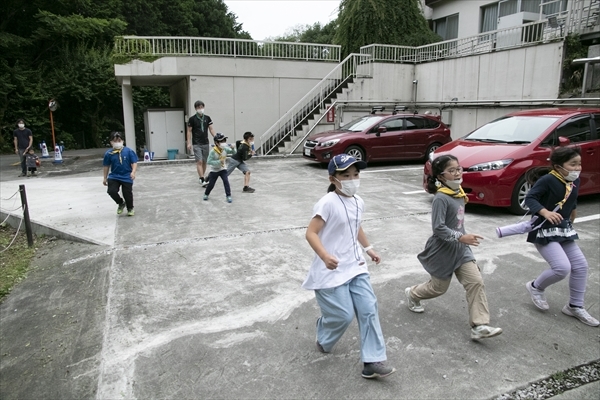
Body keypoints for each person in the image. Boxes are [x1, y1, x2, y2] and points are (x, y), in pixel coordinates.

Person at [303, 154, 396, 379]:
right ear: (333, 178)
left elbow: (356, 226)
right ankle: (324, 333)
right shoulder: (327, 203)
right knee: (342, 316)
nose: (352, 179)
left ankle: (372, 361)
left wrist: (368, 247)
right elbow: (311, 232)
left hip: (355, 266)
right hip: (331, 269)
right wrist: (325, 256)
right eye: (346, 175)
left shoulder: (358, 201)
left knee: (368, 309)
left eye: (356, 174)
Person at [405, 154, 502, 340]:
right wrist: (461, 237)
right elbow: (439, 228)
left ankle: (479, 326)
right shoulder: (441, 198)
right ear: (441, 176)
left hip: (461, 249)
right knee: (438, 288)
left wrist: (464, 240)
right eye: (452, 170)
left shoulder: (458, 193)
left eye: (459, 169)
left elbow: (457, 223)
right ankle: (413, 293)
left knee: (476, 282)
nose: (457, 173)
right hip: (442, 250)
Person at [524, 147, 598, 327]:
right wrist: (545, 212)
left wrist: (573, 212)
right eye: (572, 164)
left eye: (579, 164)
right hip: (543, 229)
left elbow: (572, 198)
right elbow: (530, 199)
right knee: (562, 268)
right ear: (558, 166)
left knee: (581, 266)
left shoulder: (575, 180)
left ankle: (575, 306)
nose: (577, 168)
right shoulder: (548, 180)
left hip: (563, 229)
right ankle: (535, 287)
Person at [103, 131, 138, 216]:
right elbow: (106, 165)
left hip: (126, 175)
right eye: (115, 141)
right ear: (111, 142)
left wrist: (133, 172)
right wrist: (105, 177)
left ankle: (130, 208)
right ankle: (120, 203)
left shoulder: (128, 151)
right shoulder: (109, 153)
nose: (117, 143)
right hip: (114, 176)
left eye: (119, 141)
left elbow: (134, 162)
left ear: (122, 141)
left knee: (127, 193)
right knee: (111, 191)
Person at [187, 100, 215, 187]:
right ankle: (202, 179)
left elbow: (211, 129)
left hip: (205, 142)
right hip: (196, 143)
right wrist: (188, 143)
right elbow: (189, 131)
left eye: (202, 107)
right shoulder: (192, 119)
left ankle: (201, 176)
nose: (200, 109)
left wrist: (216, 137)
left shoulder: (207, 118)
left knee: (204, 161)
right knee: (199, 161)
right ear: (196, 109)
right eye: (198, 107)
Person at [203, 133, 235, 203]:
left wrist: (233, 149)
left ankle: (228, 195)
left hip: (223, 169)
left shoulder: (225, 149)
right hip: (214, 170)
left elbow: (233, 153)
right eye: (221, 141)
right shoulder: (213, 151)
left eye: (224, 141)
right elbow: (209, 161)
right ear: (216, 143)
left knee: (226, 181)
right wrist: (218, 161)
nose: (223, 143)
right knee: (211, 184)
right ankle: (206, 194)